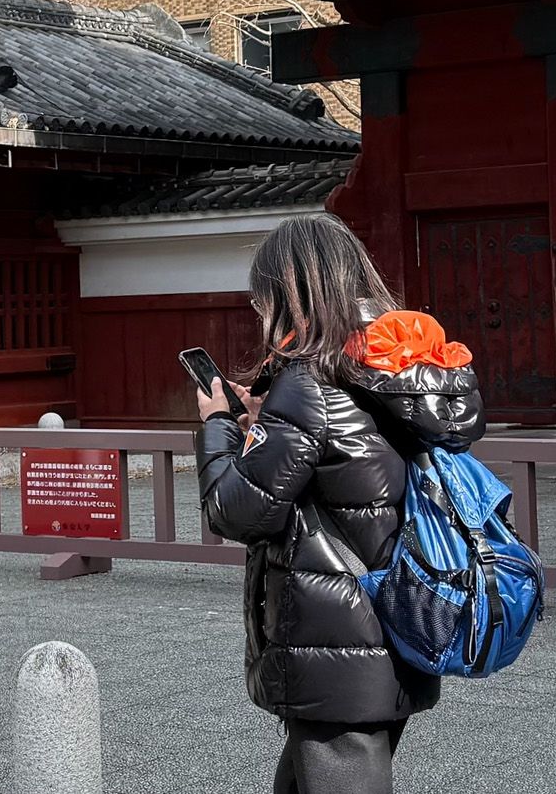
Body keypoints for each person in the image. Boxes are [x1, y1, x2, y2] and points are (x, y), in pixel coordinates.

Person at [196, 213, 486, 794]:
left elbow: (237, 509)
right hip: (399, 617)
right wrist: (268, 425)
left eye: (264, 301)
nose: (262, 316)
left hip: (334, 639)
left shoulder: (309, 383)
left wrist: (218, 426)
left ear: (291, 292)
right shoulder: (396, 369)